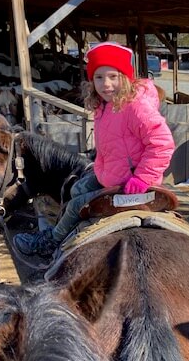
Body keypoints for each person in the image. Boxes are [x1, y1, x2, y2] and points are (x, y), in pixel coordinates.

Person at [13, 42, 175, 258]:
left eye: (113, 76)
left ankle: (51, 242)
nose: (106, 84)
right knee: (76, 189)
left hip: (133, 184)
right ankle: (68, 231)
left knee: (76, 205)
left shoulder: (135, 107)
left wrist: (142, 178)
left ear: (125, 78)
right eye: (99, 77)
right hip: (112, 175)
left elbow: (162, 143)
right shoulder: (104, 106)